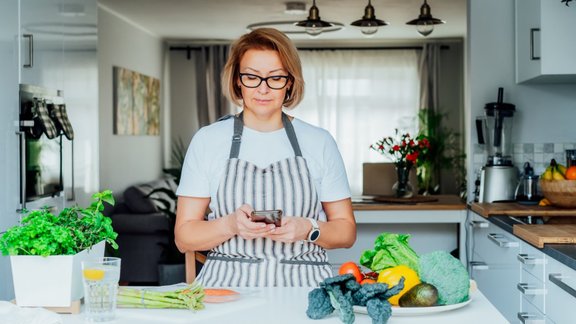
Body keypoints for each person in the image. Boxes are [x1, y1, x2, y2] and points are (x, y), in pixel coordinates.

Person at [175, 28, 356, 287]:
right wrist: (231, 225)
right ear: (238, 80)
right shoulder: (207, 141)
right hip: (227, 287)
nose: (263, 89)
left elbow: (346, 232)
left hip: (306, 286)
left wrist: (308, 228)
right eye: (251, 77)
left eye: (275, 78)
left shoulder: (320, 141)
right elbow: (184, 237)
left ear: (290, 82)